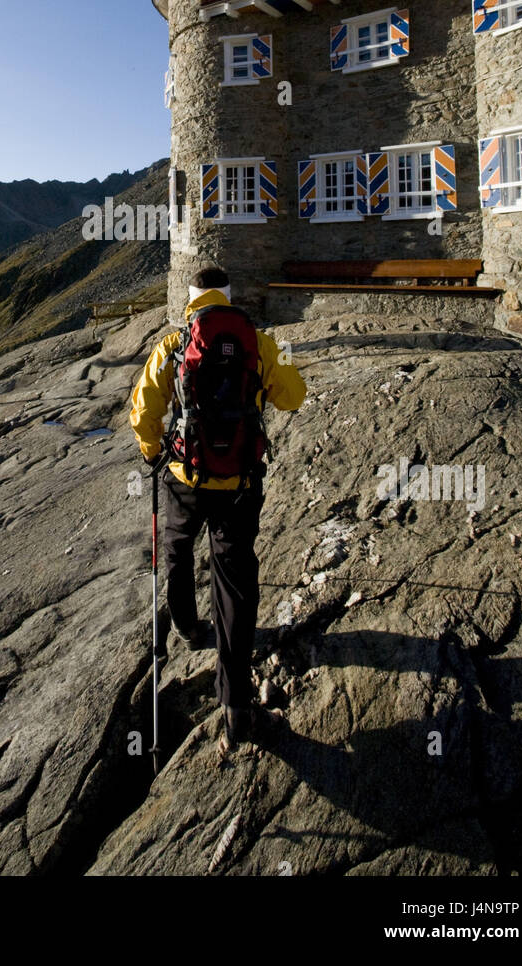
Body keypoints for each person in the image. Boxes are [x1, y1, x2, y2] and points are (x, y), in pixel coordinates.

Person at [129, 265, 307, 750]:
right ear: (228, 296)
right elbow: (293, 397)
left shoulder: (174, 344)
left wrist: (151, 452)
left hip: (187, 476)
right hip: (239, 483)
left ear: (190, 300)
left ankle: (187, 626)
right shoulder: (258, 341)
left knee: (178, 550)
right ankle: (236, 702)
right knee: (234, 577)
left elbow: (145, 410)